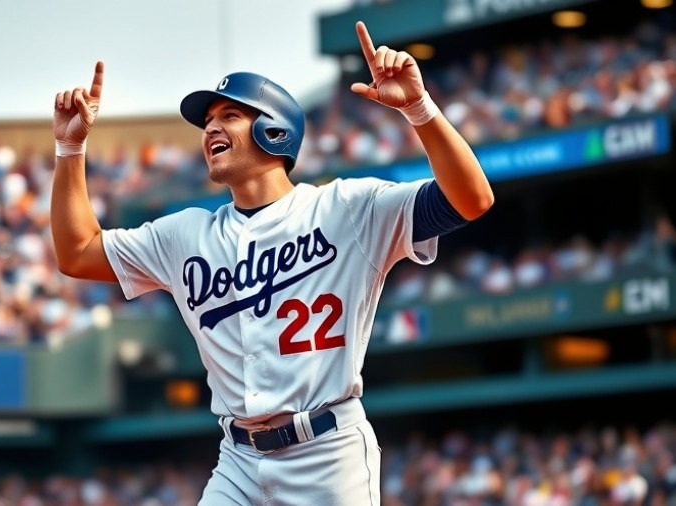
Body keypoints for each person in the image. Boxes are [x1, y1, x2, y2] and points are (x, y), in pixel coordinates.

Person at [50, 21, 494, 506]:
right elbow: (77, 253)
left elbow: (470, 199)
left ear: (274, 129)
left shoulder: (346, 208)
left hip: (327, 455)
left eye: (229, 115)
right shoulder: (186, 234)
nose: (211, 128)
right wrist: (70, 149)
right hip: (237, 461)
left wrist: (418, 108)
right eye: (208, 121)